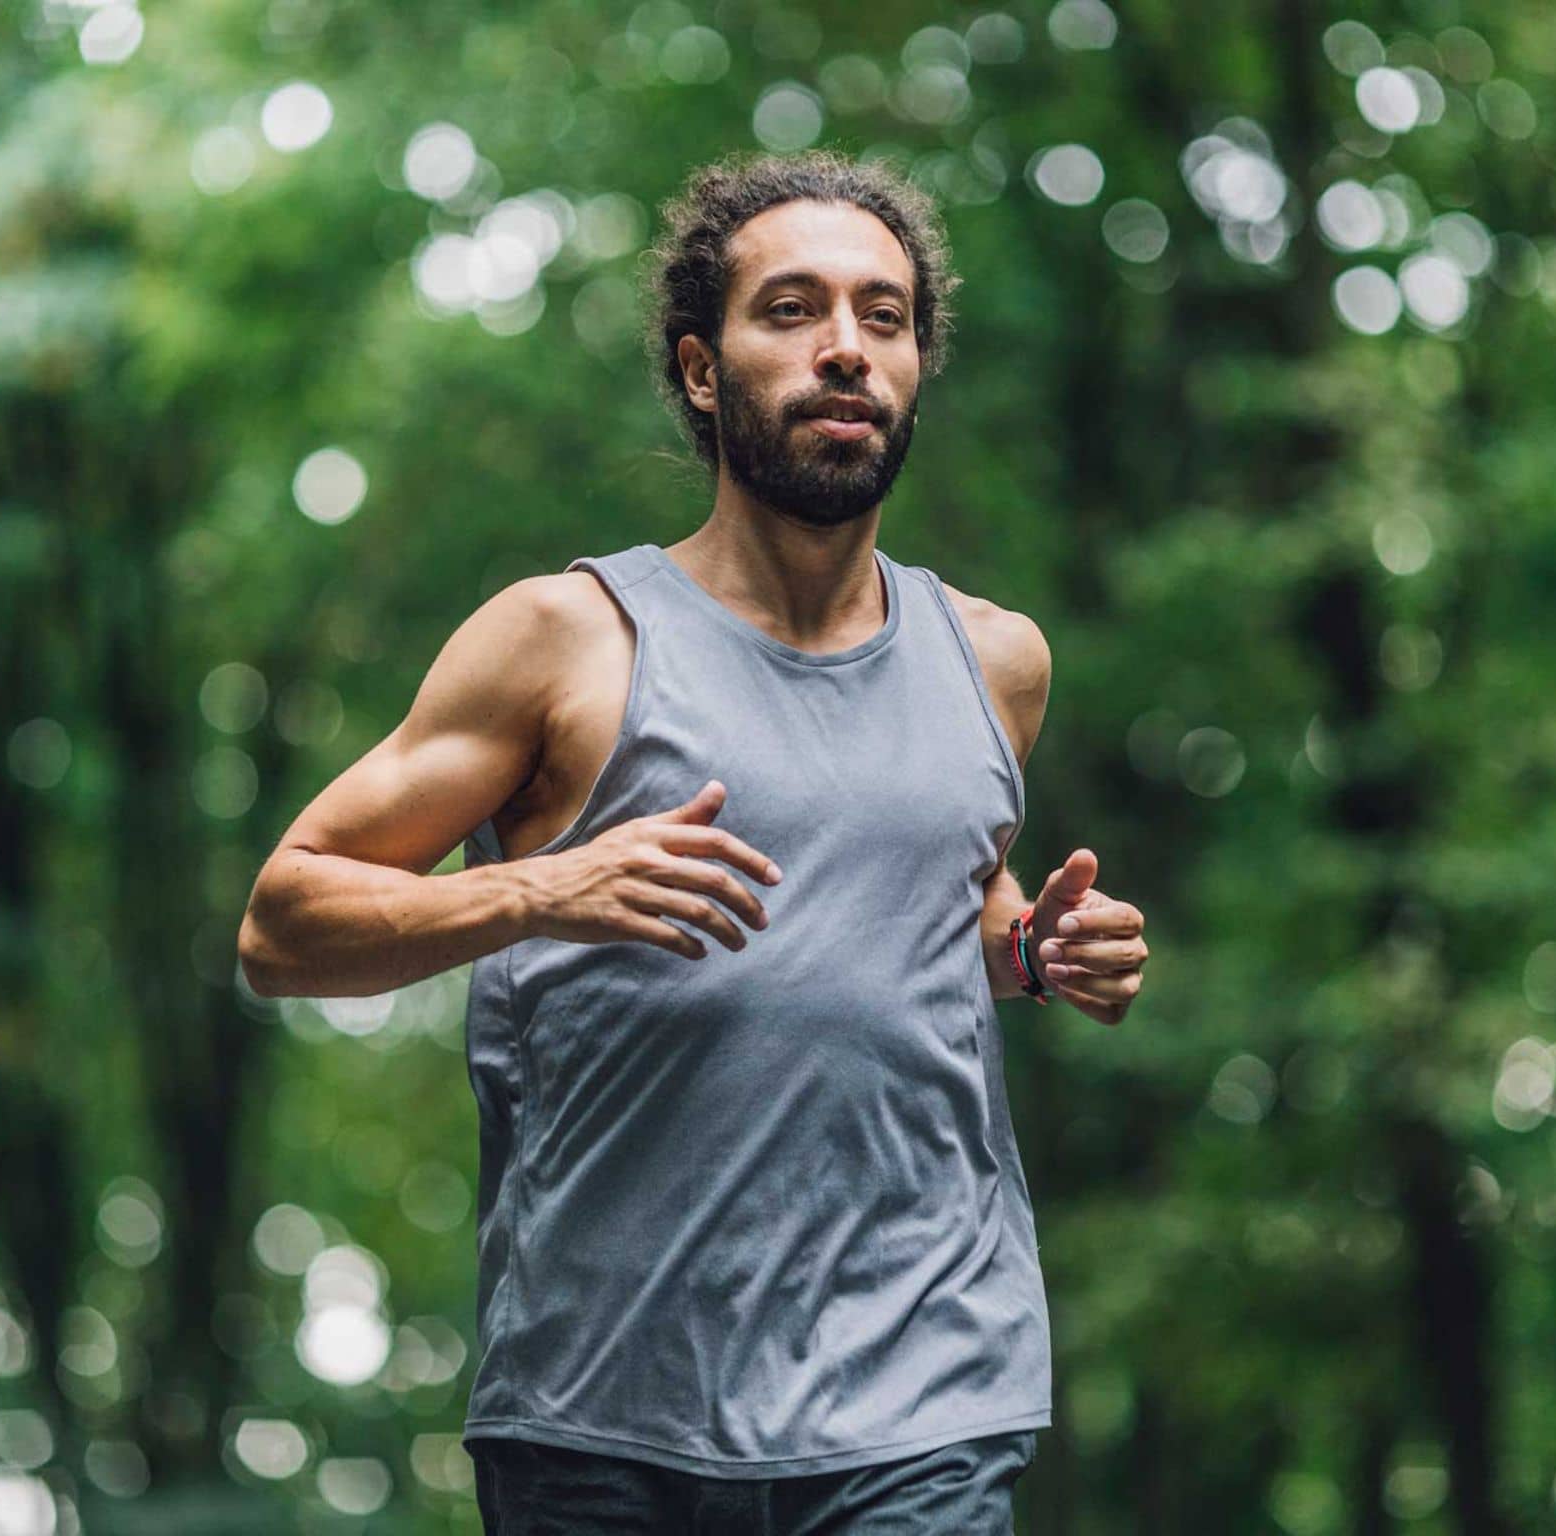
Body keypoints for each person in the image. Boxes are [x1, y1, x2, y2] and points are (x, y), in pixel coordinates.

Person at [239, 148, 1149, 1534]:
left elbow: (920, 895)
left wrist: (1028, 950)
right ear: (702, 370)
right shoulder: (566, 640)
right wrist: (544, 888)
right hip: (611, 1414)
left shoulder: (995, 660)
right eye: (791, 310)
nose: (845, 346)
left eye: (883, 316)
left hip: (924, 1391)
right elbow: (283, 924)